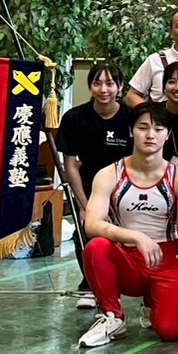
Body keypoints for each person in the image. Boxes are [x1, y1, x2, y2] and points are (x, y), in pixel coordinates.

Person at [77, 103, 178, 348]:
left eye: (158, 129)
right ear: (131, 131)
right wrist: (135, 237)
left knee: (170, 331)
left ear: (168, 134)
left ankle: (153, 301)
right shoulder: (109, 174)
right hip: (128, 259)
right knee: (96, 247)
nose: (150, 135)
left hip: (167, 258)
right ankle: (113, 317)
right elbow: (92, 223)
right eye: (143, 128)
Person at [57, 59, 134, 311]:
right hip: (88, 189)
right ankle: (91, 285)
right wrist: (83, 205)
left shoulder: (132, 118)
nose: (104, 89)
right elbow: (70, 165)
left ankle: (131, 284)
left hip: (126, 190)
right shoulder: (74, 118)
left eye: (110, 83)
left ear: (120, 87)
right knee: (86, 233)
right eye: (97, 83)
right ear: (90, 87)